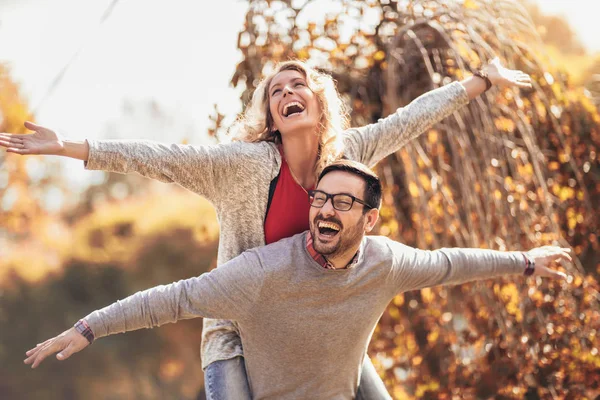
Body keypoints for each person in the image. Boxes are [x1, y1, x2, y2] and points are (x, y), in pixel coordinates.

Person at [2, 58, 532, 399]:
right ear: (271, 116)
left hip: (318, 324)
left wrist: (481, 81)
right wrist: (70, 145)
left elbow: (412, 119)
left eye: (299, 84)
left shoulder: (348, 156)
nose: (288, 91)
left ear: (319, 104)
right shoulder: (243, 166)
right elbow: (158, 157)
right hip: (239, 329)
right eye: (276, 91)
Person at [24, 160, 570, 400]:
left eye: (343, 202)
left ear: (370, 219)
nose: (325, 209)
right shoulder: (262, 272)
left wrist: (524, 260)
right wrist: (89, 328)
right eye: (320, 197)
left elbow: (452, 264)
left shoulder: (386, 263)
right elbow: (176, 298)